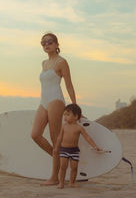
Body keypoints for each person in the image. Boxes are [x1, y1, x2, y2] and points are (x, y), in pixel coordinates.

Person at [31, 32, 77, 185]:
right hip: (43, 101)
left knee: (55, 138)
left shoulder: (62, 62)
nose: (46, 44)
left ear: (57, 44)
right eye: (43, 42)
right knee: (35, 134)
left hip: (56, 100)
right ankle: (61, 158)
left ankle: (54, 177)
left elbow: (68, 84)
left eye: (50, 42)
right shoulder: (44, 63)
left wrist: (74, 104)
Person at [54, 103, 101, 189]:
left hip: (74, 151)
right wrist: (56, 147)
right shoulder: (64, 126)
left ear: (75, 117)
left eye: (67, 115)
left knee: (74, 167)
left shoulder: (79, 128)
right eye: (64, 115)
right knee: (63, 167)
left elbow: (87, 137)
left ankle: (72, 182)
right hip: (64, 150)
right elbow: (60, 137)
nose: (65, 117)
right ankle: (61, 183)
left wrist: (95, 146)